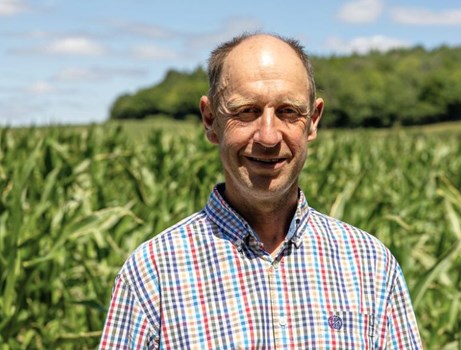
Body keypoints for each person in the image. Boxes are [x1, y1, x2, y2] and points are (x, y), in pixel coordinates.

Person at [100, 32, 422, 349]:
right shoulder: (152, 274)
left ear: (313, 121)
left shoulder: (371, 266)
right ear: (210, 120)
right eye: (246, 112)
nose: (268, 137)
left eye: (288, 112)